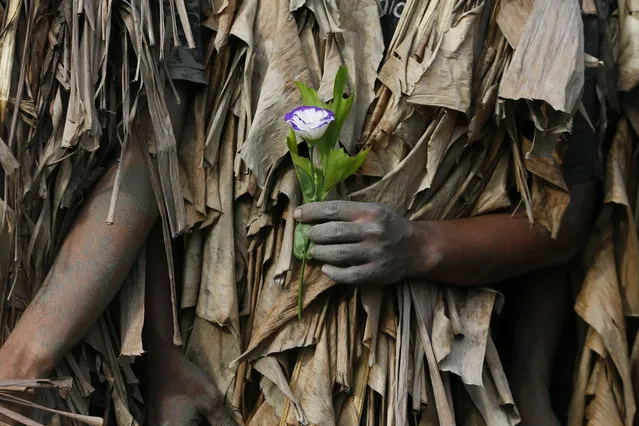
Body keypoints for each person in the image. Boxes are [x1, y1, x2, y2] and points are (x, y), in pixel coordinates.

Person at [0, 1, 602, 426]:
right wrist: (164, 354)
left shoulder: (540, 14)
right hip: (235, 358)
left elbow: (565, 214)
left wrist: (423, 245)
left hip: (414, 371)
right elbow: (174, 165)